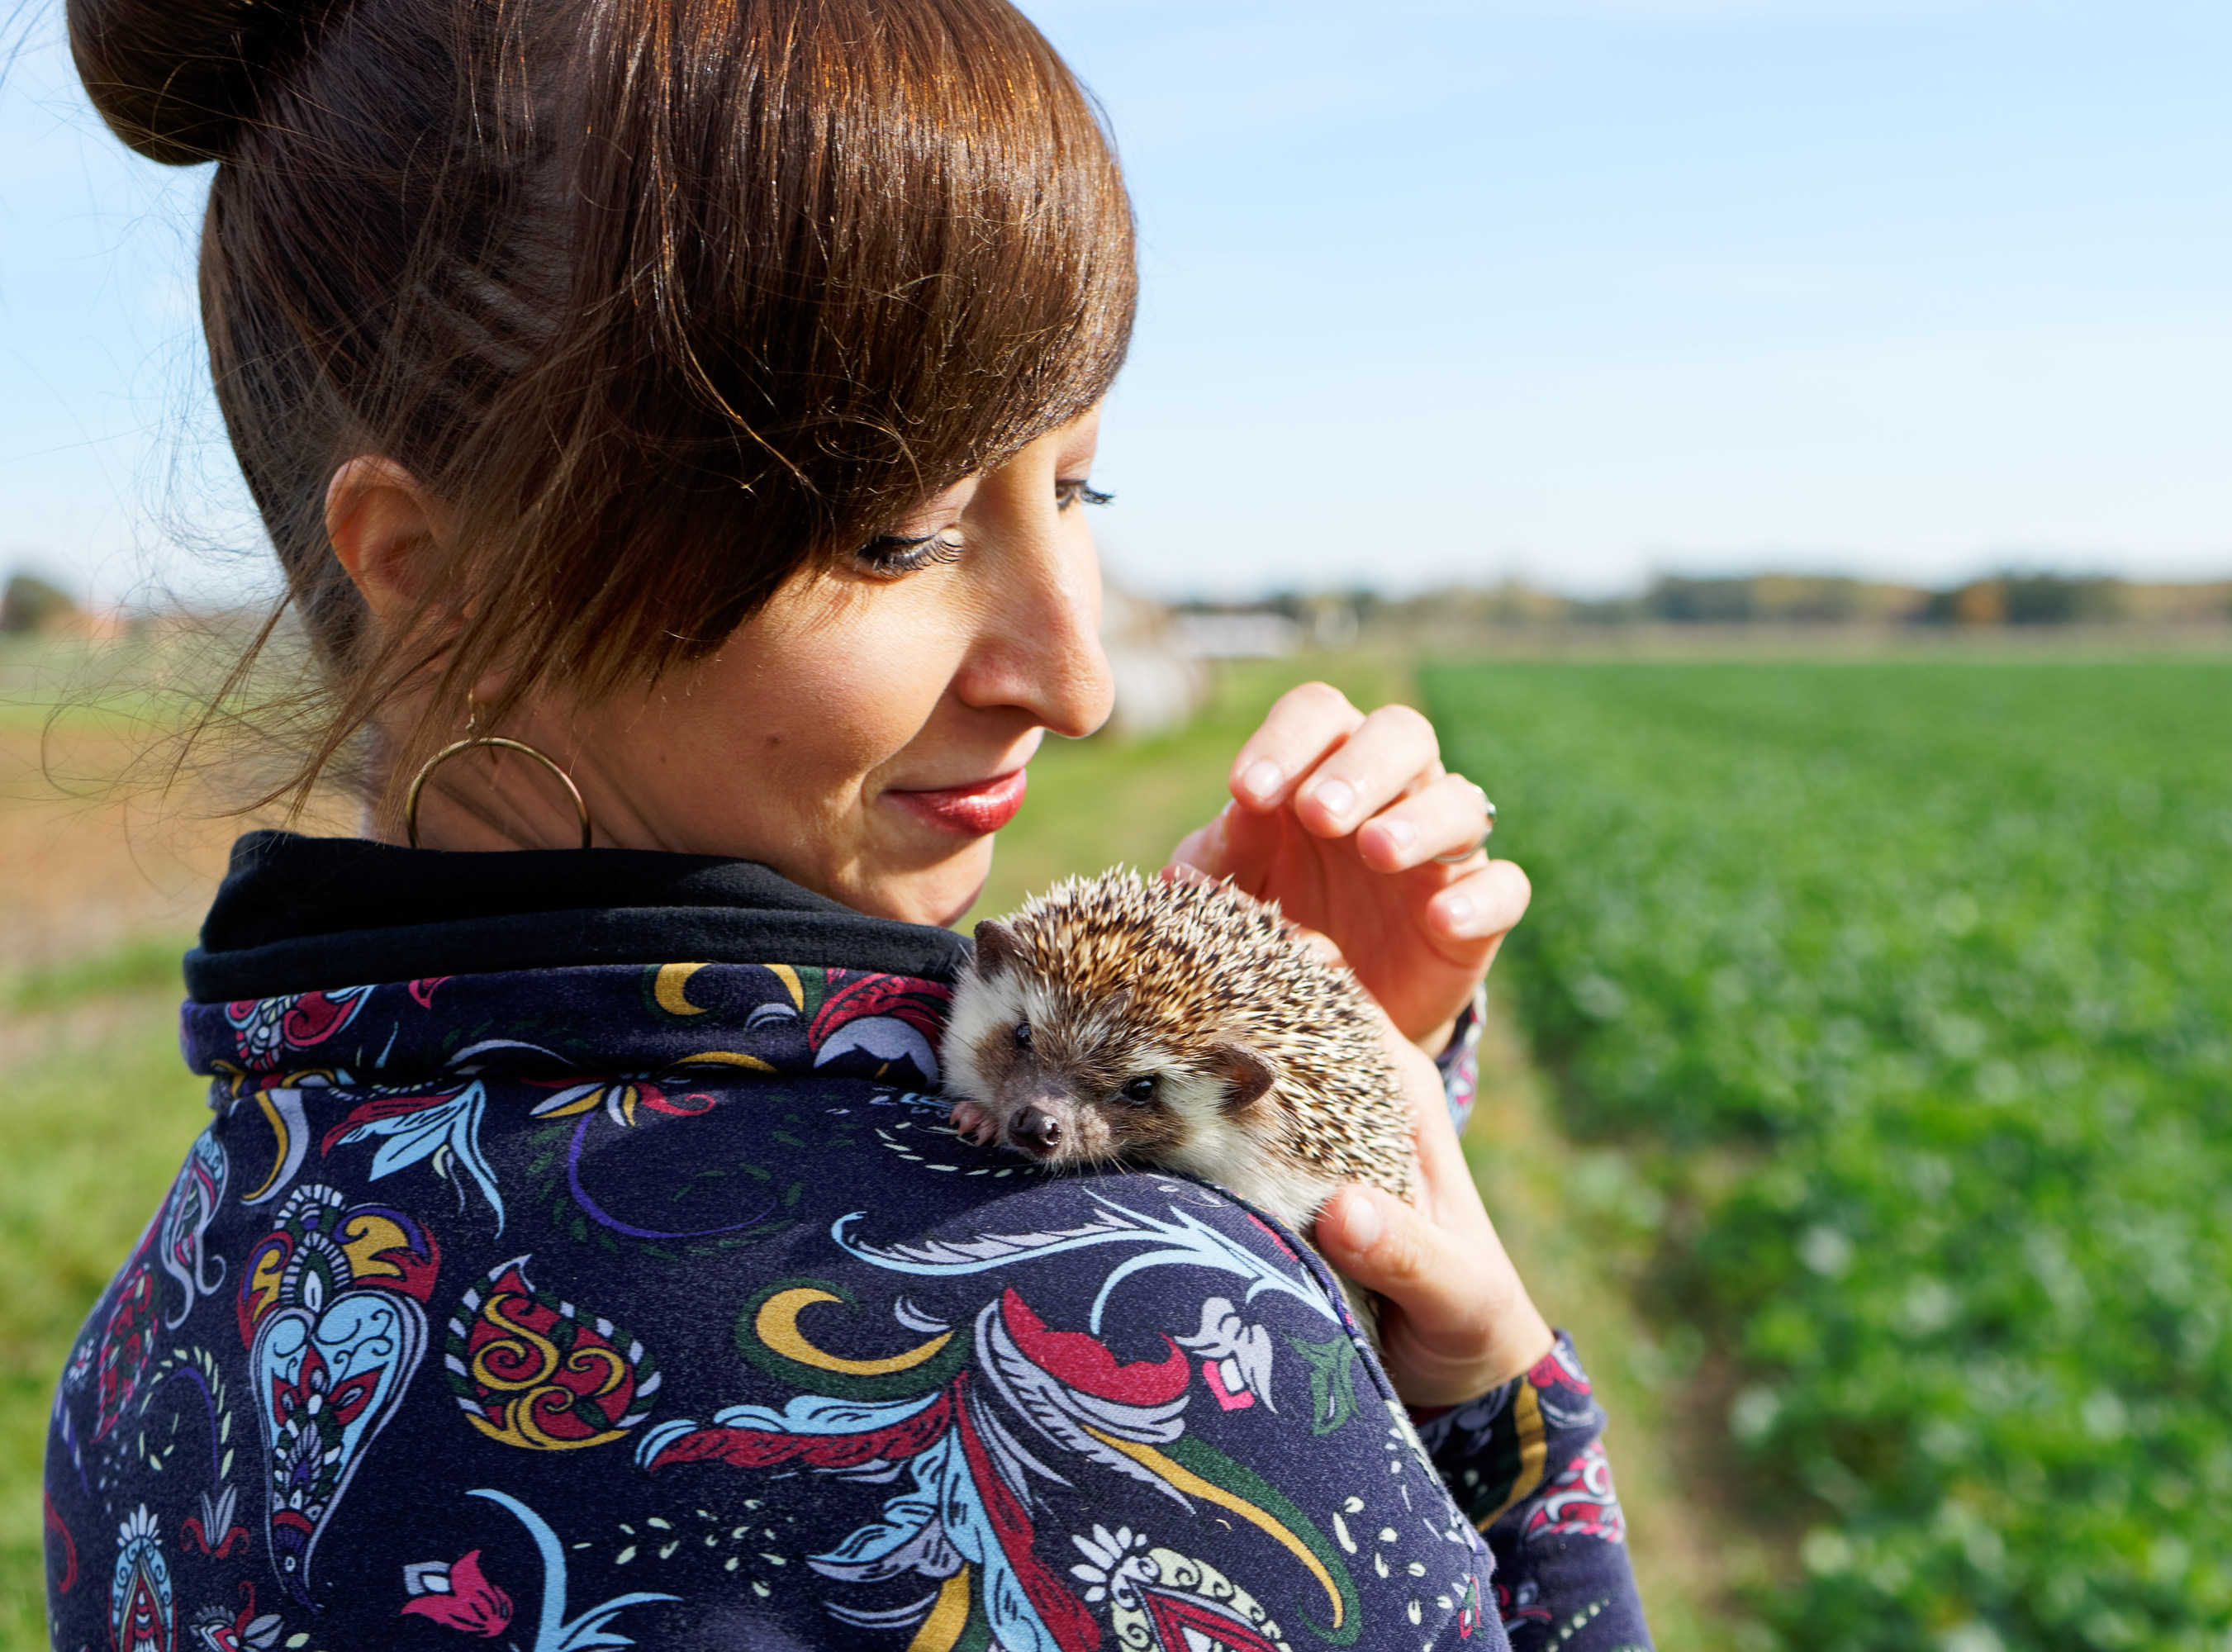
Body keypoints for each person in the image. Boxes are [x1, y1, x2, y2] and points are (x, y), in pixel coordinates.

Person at [42, 0, 1654, 1645]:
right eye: (898, 531)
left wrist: (1327, 1077)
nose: (1078, 676)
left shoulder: (145, 1343)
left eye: (1077, 491)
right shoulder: (1121, 1332)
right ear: (437, 573)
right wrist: (1503, 1426)